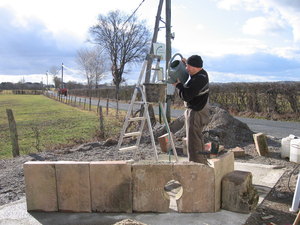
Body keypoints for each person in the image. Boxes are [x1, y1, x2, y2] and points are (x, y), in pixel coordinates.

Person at [172, 55, 210, 164]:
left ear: (196, 67)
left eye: (189, 67)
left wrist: (178, 85)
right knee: (197, 138)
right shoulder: (202, 73)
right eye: (186, 66)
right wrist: (186, 62)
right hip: (200, 109)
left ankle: (196, 165)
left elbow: (186, 96)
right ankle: (202, 163)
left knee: (193, 142)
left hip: (196, 112)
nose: (187, 69)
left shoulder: (198, 79)